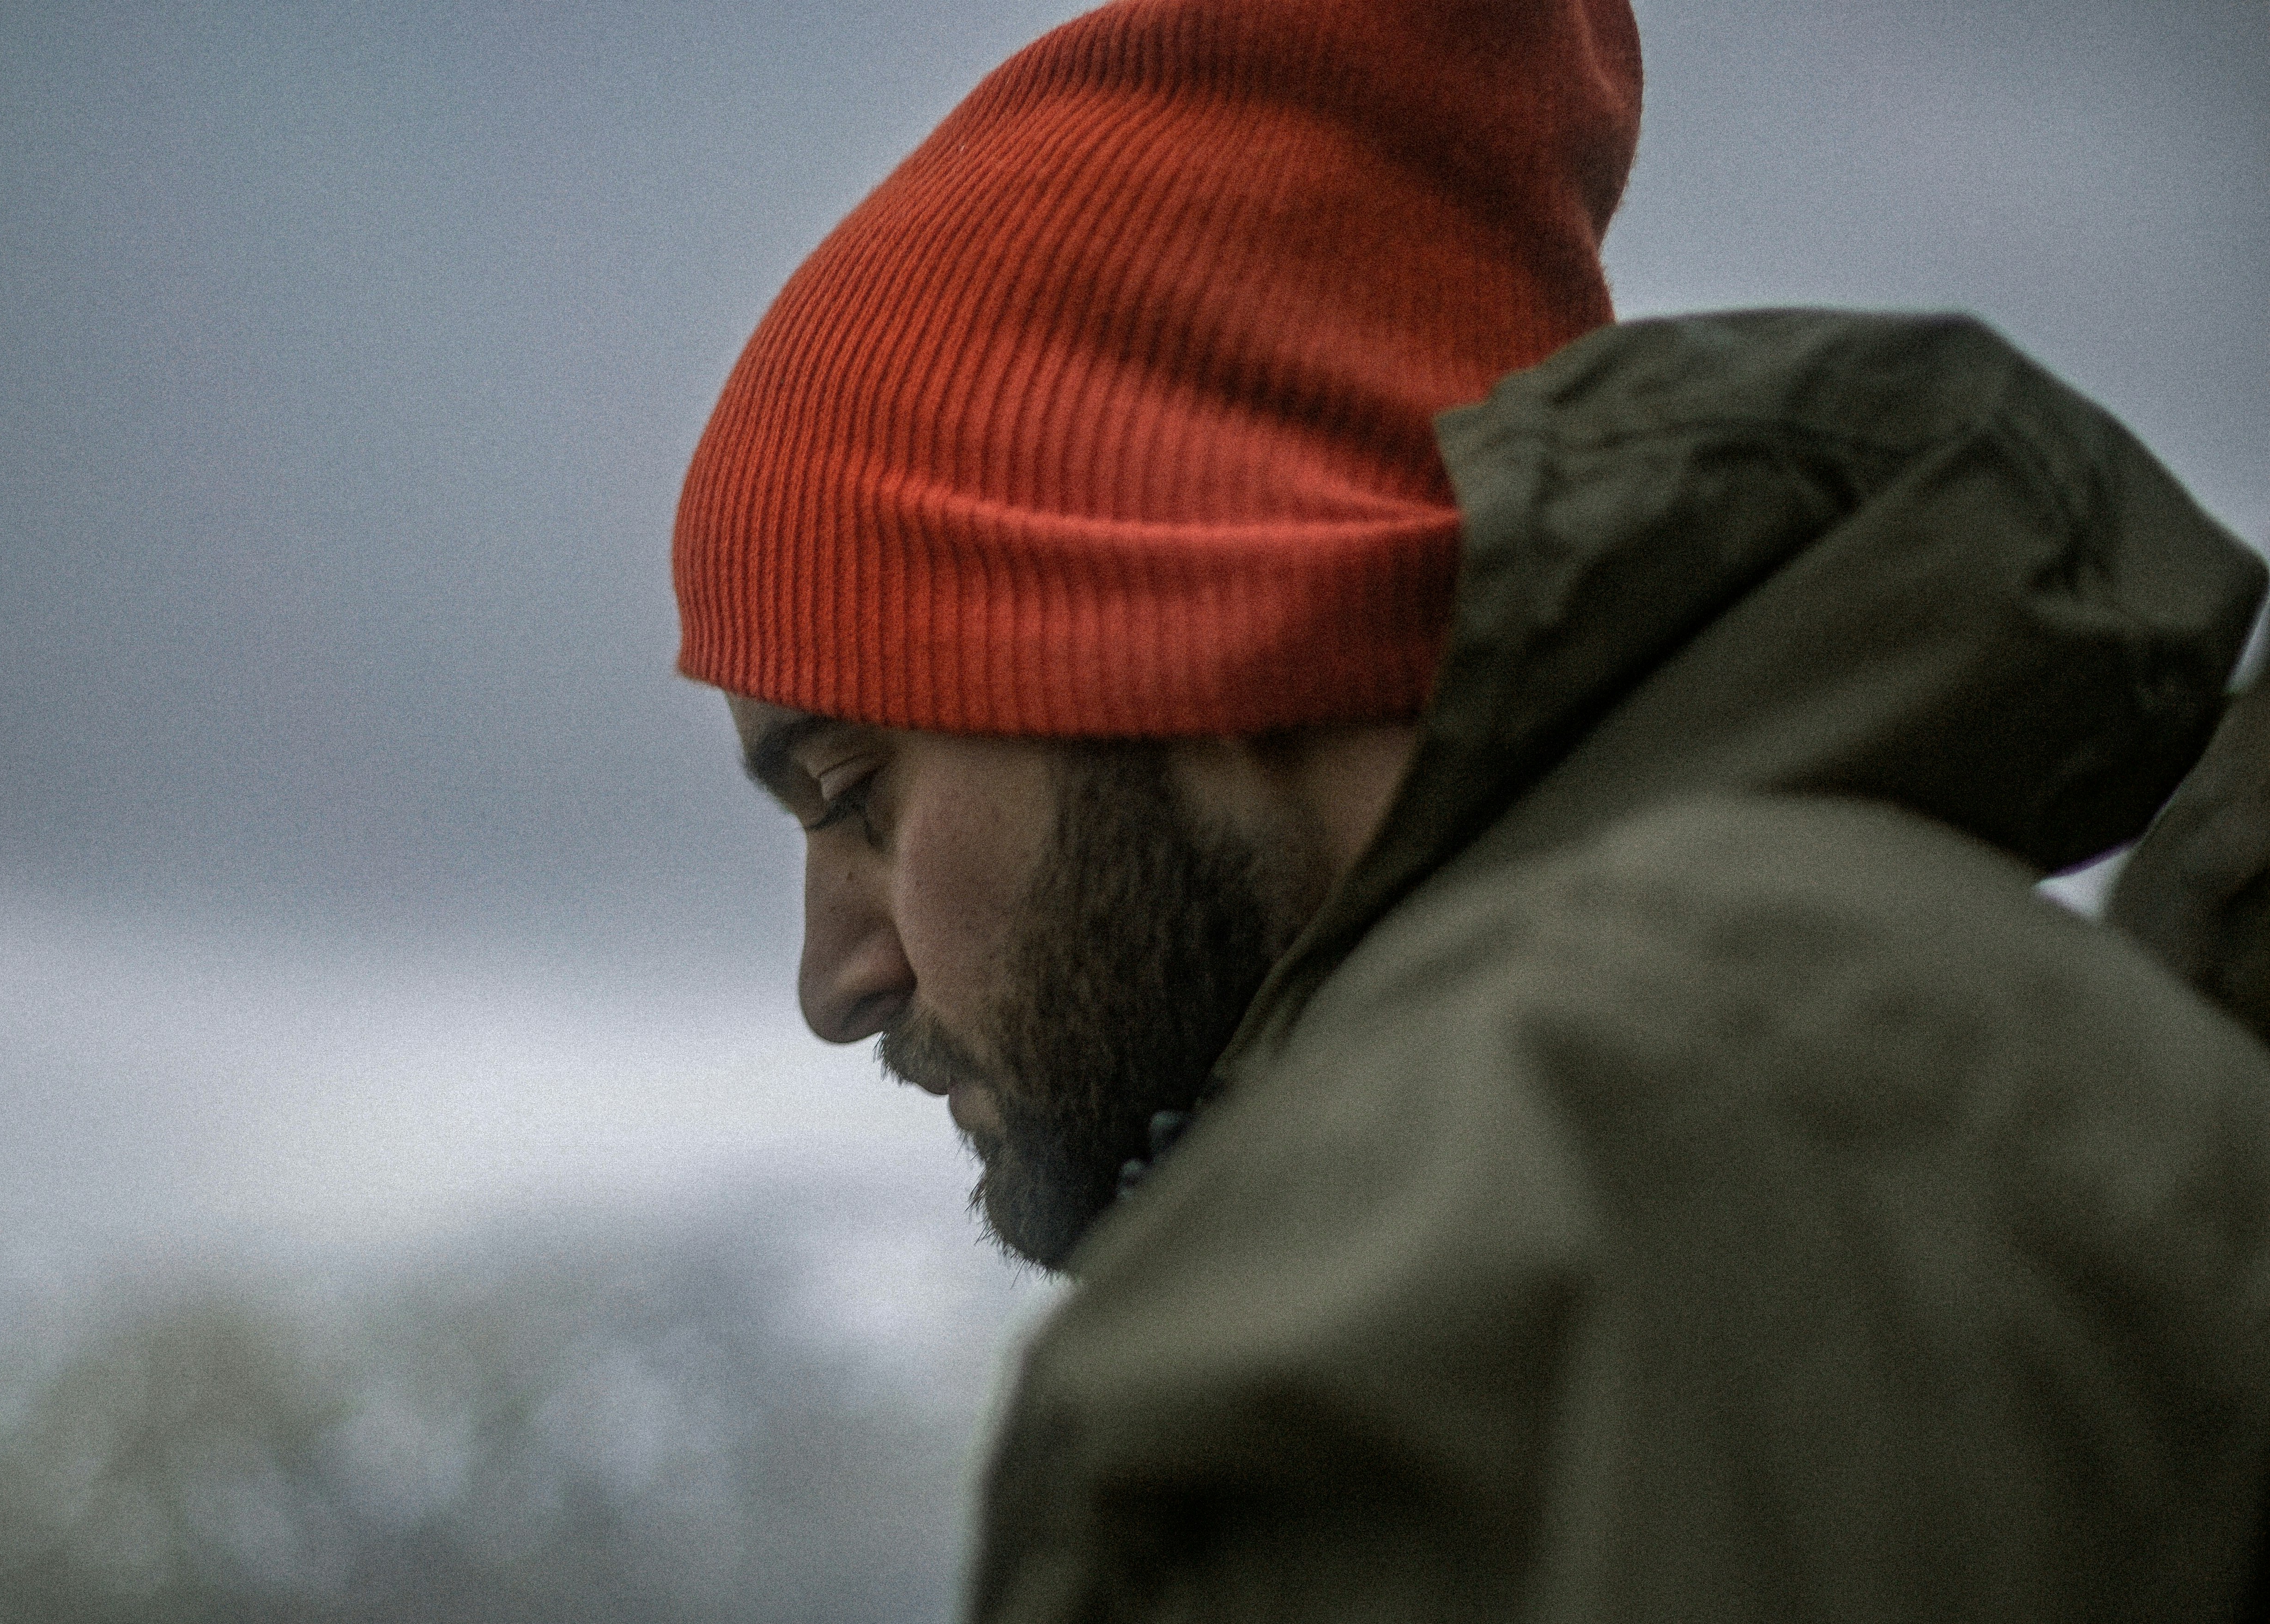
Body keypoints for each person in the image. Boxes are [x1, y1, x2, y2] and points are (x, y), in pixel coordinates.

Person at [676, 1, 2270, 1616]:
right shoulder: (1785, 1063)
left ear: (1173, 636)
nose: (835, 981)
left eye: (855, 796)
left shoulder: (1523, 1227)